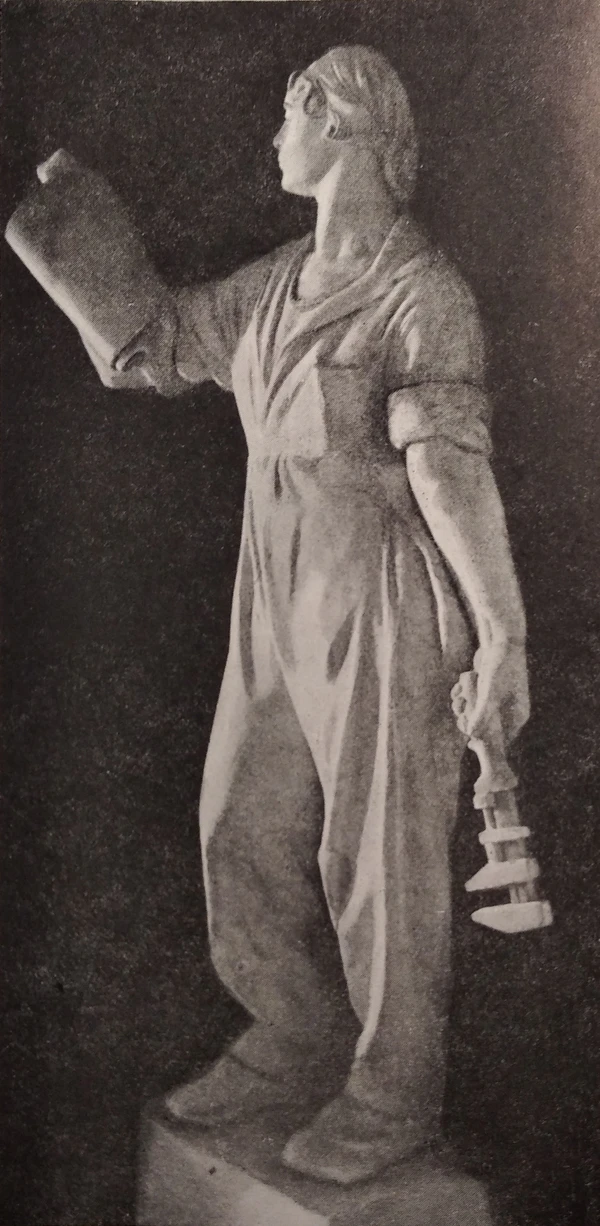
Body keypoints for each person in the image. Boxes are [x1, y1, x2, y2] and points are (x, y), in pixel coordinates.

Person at [109, 45, 530, 1184]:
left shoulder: (422, 293)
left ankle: (393, 1092)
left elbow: (449, 470)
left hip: (381, 597)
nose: (275, 136)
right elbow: (162, 342)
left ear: (341, 124)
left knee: (379, 857)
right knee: (237, 822)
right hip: (275, 589)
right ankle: (296, 1035)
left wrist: (501, 631)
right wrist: (63, 233)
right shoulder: (275, 281)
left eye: (290, 114)